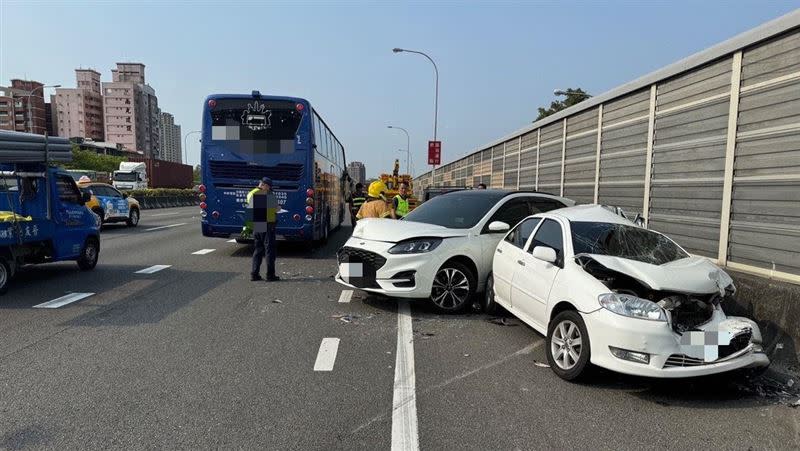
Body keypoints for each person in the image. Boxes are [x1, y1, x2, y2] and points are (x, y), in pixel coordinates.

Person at [248, 177, 280, 282]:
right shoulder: (264, 193)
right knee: (269, 250)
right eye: (269, 187)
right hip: (267, 224)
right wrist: (277, 208)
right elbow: (275, 208)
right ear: (264, 185)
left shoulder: (251, 193)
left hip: (257, 223)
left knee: (258, 249)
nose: (269, 189)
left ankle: (254, 274)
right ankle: (270, 275)